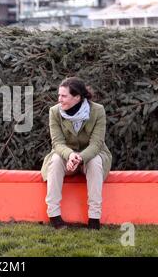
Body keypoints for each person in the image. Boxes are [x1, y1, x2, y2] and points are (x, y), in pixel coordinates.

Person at [40, 77, 112, 230]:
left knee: (95, 162)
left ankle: (94, 218)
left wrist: (80, 157)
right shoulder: (54, 112)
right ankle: (54, 215)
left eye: (64, 96)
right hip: (66, 156)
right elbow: (57, 143)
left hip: (91, 155)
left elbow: (96, 144)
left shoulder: (98, 111)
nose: (59, 99)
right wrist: (70, 155)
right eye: (59, 95)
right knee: (55, 160)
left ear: (77, 97)